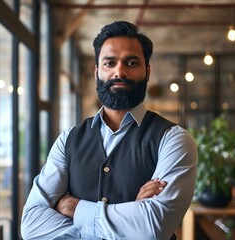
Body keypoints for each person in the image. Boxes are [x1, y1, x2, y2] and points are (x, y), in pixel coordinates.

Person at [21, 21, 197, 240]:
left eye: (131, 63)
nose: (119, 71)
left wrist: (73, 208)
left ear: (147, 71)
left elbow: (152, 228)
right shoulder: (68, 140)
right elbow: (31, 226)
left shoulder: (174, 140)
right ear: (97, 72)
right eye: (109, 63)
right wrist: (131, 218)